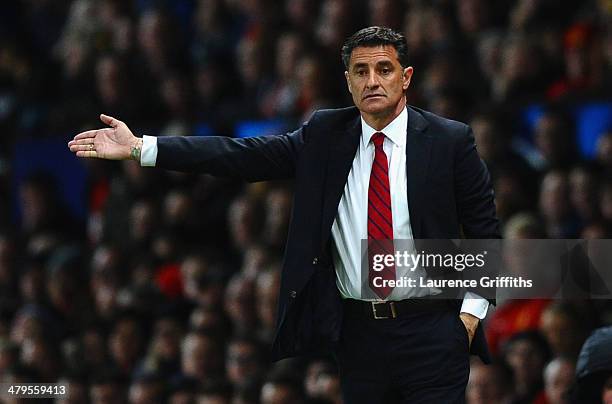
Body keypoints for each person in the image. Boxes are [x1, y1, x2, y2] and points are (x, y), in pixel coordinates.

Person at [69, 27, 500, 403]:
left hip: (433, 328)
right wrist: (142, 147)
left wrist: (468, 317)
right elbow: (241, 156)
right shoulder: (326, 135)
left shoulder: (449, 140)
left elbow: (485, 230)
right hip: (358, 335)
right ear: (347, 81)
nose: (373, 81)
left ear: (406, 78)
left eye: (384, 70)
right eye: (361, 71)